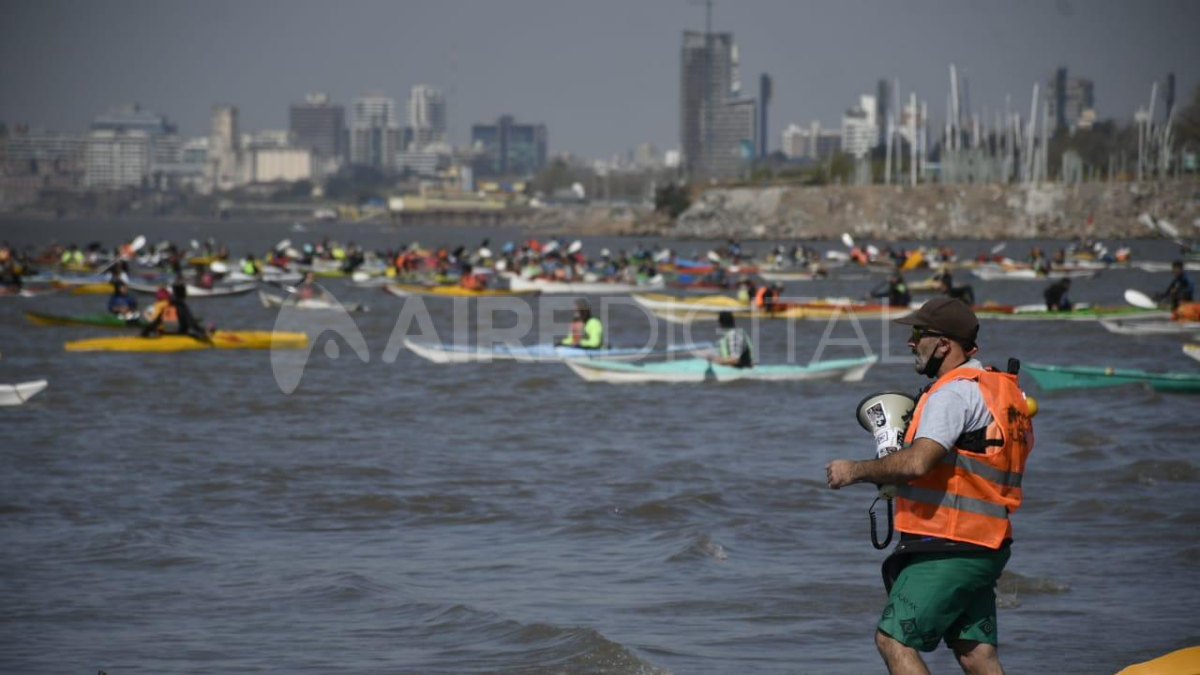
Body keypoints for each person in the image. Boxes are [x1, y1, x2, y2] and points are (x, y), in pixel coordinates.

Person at [825, 298, 1034, 674]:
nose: (911, 342)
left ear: (943, 344)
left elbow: (918, 462)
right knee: (975, 653)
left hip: (949, 546)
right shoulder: (999, 391)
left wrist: (854, 470)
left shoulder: (952, 394)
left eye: (918, 333)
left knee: (893, 641)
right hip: (987, 544)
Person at [142, 282, 208, 340]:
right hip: (180, 336)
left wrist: (145, 333)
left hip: (165, 335)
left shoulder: (167, 306)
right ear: (183, 294)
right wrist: (203, 332)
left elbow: (155, 323)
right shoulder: (182, 307)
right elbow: (192, 325)